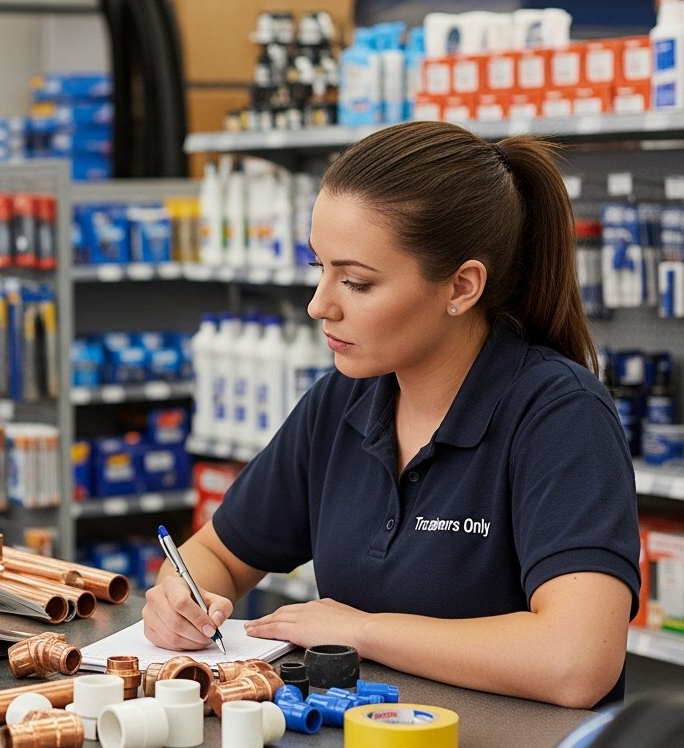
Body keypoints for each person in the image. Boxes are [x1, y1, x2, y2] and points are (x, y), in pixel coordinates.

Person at [143, 120, 639, 709]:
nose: (319, 304)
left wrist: (360, 629)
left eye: (355, 281)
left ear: (461, 287)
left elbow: (577, 661)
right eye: (318, 268)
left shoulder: (559, 416)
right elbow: (218, 554)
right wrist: (181, 596)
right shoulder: (341, 403)